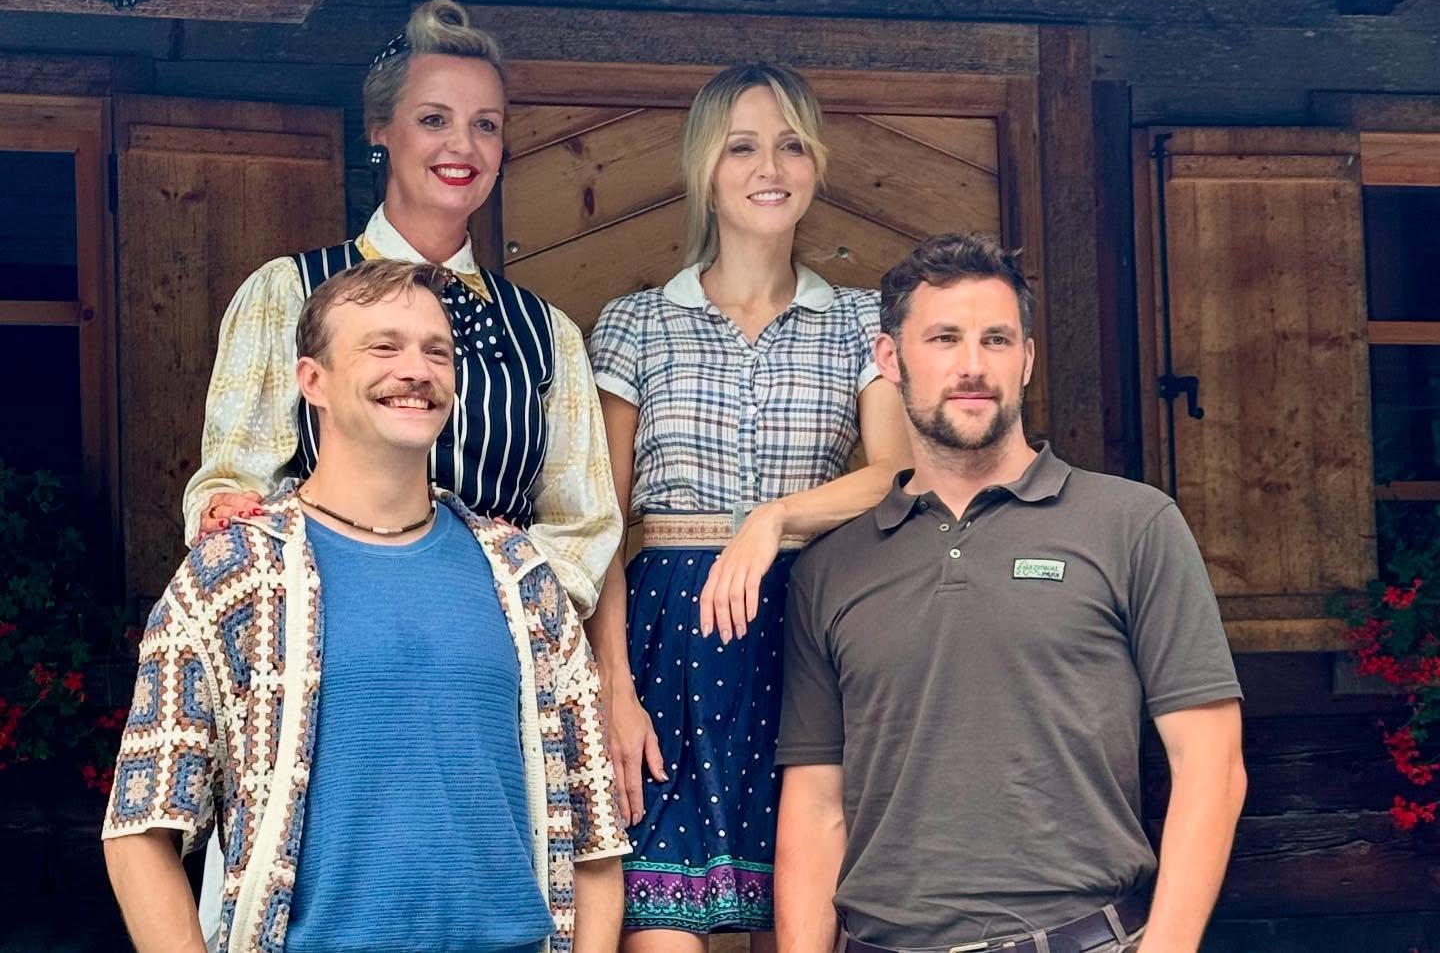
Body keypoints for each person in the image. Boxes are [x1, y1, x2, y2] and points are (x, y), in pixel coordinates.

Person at [102, 259, 627, 953]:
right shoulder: (236, 573)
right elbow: (140, 828)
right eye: (384, 347)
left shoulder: (522, 577)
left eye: (437, 352)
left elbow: (594, 839)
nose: (416, 370)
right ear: (311, 380)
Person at [774, 234, 1248, 953]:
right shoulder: (830, 568)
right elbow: (815, 808)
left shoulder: (1133, 524)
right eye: (944, 338)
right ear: (890, 359)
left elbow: (1211, 763)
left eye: (996, 339)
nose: (973, 365)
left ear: (1026, 358)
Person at [584, 64, 912, 951]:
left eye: (791, 145)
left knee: (802, 914)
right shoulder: (635, 322)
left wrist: (773, 520)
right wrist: (613, 686)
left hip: (806, 633)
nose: (770, 167)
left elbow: (895, 472)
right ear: (705, 169)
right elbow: (602, 522)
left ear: (816, 164)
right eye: (742, 147)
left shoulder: (860, 321)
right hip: (665, 644)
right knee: (657, 926)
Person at [183, 0, 620, 617]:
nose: (463, 145)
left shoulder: (547, 332)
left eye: (486, 125)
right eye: (434, 119)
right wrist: (228, 510)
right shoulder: (289, 291)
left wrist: (494, 585)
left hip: (492, 625)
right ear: (380, 129)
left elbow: (583, 527)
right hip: (330, 615)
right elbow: (236, 486)